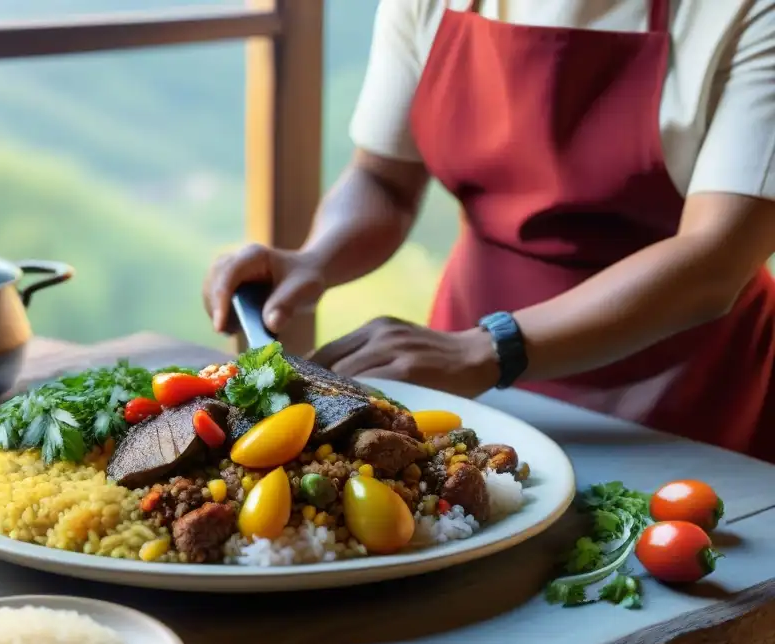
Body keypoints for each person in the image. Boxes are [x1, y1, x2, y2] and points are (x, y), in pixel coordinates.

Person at [202, 0, 775, 463]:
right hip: (462, 377)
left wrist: (488, 347)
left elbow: (715, 258)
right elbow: (383, 179)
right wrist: (315, 258)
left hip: (683, 390)